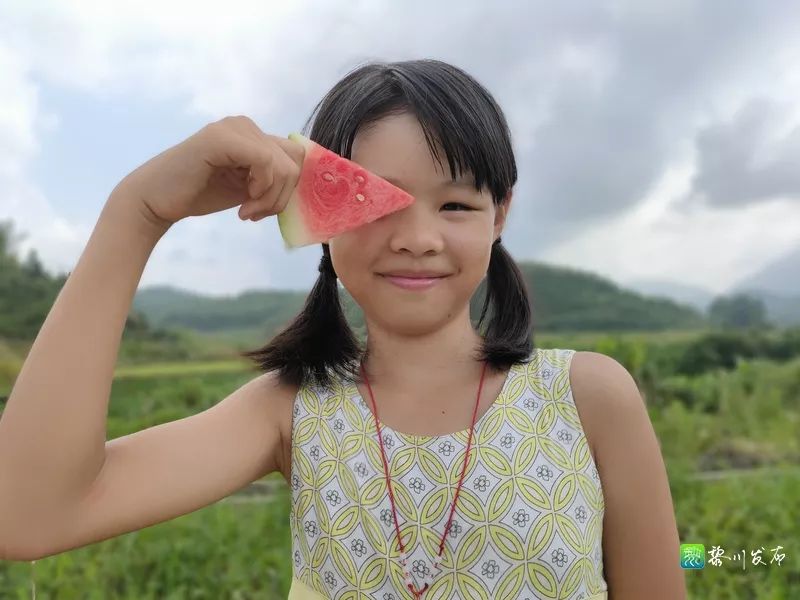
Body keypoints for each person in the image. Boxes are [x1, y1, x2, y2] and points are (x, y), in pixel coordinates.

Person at [0, 59, 686, 599]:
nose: (418, 239)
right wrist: (139, 210)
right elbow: (27, 513)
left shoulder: (590, 397)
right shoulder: (291, 412)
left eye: (455, 203)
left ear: (499, 215)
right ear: (320, 218)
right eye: (378, 202)